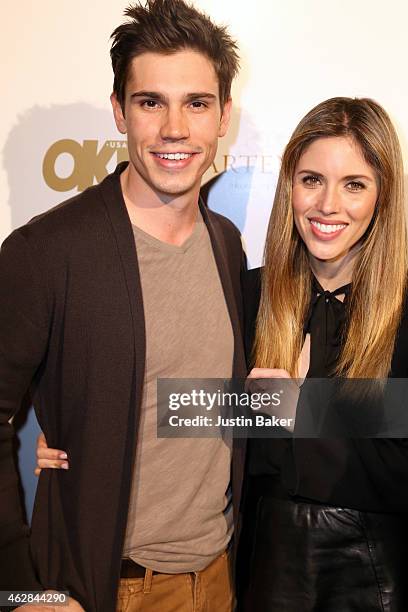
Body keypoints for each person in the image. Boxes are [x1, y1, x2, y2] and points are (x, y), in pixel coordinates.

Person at [0, 1, 247, 611]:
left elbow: (186, 403)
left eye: (196, 103)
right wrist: (23, 589)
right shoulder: (46, 251)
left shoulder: (226, 244)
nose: (174, 129)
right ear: (119, 111)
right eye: (150, 102)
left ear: (222, 118)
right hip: (108, 588)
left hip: (219, 578)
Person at [236, 96, 408, 611]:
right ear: (289, 185)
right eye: (312, 179)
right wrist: (93, 439)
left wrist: (304, 412)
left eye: (354, 184)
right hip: (260, 576)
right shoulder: (247, 297)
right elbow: (203, 416)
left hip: (379, 582)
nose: (328, 204)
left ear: (383, 197)